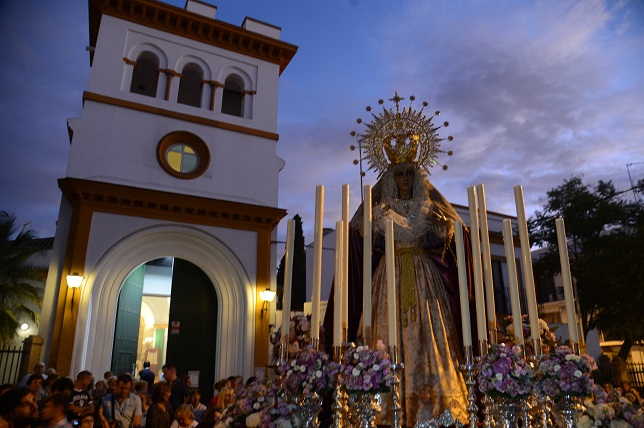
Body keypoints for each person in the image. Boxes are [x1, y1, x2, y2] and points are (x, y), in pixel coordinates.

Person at [323, 94, 472, 426]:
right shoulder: (380, 211)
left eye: (408, 173)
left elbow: (450, 232)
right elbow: (360, 236)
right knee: (384, 333)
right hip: (388, 278)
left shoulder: (428, 208)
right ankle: (380, 408)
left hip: (423, 278)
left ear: (415, 176)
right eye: (399, 174)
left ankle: (434, 408)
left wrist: (444, 227)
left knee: (430, 336)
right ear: (390, 177)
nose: (404, 179)